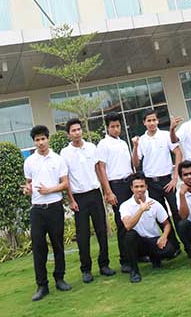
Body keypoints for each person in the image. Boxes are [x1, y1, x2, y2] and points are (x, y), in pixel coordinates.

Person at [60, 119, 116, 283]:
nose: (77, 132)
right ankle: (86, 269)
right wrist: (71, 200)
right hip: (79, 198)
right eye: (73, 130)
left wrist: (107, 191)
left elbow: (99, 170)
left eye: (79, 129)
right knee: (83, 235)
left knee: (102, 230)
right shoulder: (65, 153)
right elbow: (65, 178)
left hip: (95, 194)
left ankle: (104, 264)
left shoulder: (91, 147)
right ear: (69, 134)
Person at [23, 125, 72, 301]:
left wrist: (48, 190)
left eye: (43, 139)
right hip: (37, 209)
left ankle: (60, 278)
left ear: (47, 139)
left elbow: (65, 183)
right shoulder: (29, 161)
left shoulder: (58, 159)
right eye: (37, 140)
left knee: (58, 244)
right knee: (38, 247)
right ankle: (42, 285)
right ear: (34, 142)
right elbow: (29, 184)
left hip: (54, 207)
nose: (40, 142)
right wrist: (28, 190)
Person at [132, 109, 182, 250]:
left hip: (167, 180)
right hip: (151, 183)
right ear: (144, 123)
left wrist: (175, 177)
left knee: (176, 213)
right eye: (149, 120)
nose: (152, 123)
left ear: (158, 121)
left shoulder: (166, 135)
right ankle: (174, 246)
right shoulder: (141, 140)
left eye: (154, 120)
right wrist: (135, 147)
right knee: (162, 216)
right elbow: (136, 163)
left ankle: (188, 245)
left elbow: (178, 153)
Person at [120, 172, 177, 283]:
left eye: (142, 186)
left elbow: (166, 224)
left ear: (146, 187)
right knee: (129, 235)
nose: (139, 189)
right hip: (138, 243)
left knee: (170, 250)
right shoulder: (125, 206)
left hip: (153, 240)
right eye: (136, 187)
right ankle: (134, 271)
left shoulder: (154, 203)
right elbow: (128, 225)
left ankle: (155, 258)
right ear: (131, 188)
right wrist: (141, 210)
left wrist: (164, 237)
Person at [97, 112, 133, 273]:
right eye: (113, 126)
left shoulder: (123, 143)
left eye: (118, 126)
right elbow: (101, 169)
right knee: (122, 222)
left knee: (135, 218)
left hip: (129, 183)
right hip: (116, 185)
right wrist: (108, 191)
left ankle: (138, 254)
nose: (116, 129)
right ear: (107, 128)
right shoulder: (103, 144)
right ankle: (125, 260)